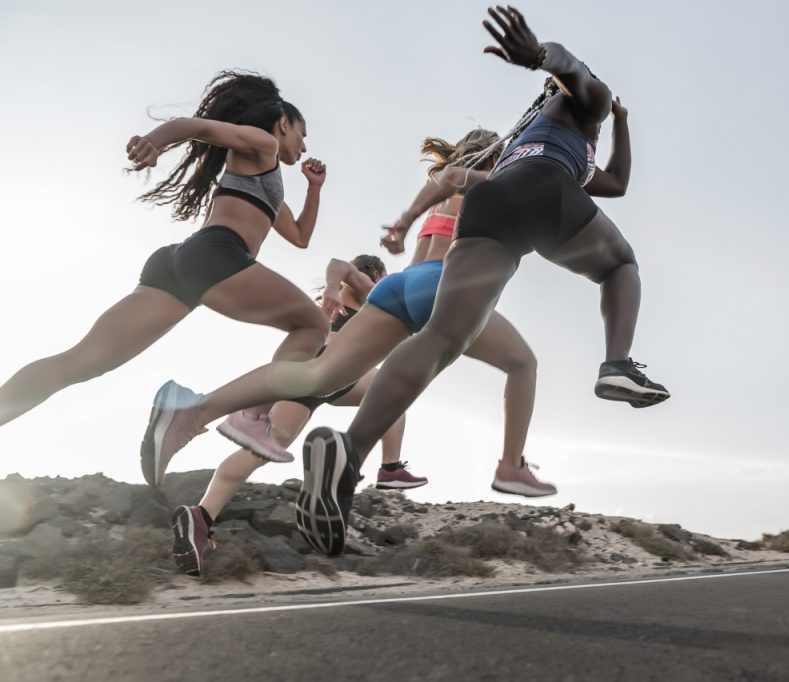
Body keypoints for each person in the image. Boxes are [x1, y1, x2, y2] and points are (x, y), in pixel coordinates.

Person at [296, 6, 671, 554]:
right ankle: (617, 366)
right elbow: (575, 74)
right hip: (547, 192)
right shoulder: (586, 102)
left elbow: (610, 182)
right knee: (620, 265)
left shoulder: (538, 136)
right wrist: (552, 64)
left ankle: (347, 459)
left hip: (493, 201)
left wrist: (622, 124)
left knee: (442, 340)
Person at [144, 127, 555, 555]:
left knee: (319, 375)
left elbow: (438, 198)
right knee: (520, 364)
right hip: (446, 286)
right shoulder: (489, 185)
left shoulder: (442, 188)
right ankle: (505, 465)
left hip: (399, 285)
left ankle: (194, 411)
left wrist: (398, 229)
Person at [0, 71, 330, 482]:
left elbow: (299, 237)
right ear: (283, 123)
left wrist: (314, 188)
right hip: (216, 256)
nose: (305, 144)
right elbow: (200, 127)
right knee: (314, 325)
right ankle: (251, 416)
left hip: (179, 266)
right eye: (303, 132)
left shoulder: (266, 176)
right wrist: (155, 141)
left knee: (81, 362)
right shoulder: (262, 144)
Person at [170, 255, 423, 576]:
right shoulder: (371, 289)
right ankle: (386, 467)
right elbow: (338, 264)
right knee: (394, 390)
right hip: (333, 365)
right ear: (374, 272)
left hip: (309, 370)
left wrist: (332, 290)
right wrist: (335, 285)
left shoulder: (350, 299)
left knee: (263, 447)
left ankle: (200, 517)